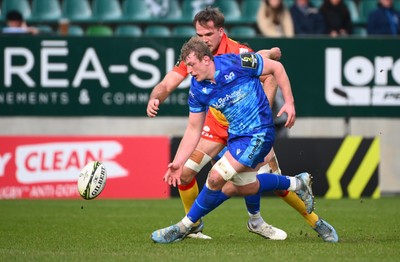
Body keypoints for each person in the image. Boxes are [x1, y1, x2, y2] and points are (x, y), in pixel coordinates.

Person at [147, 7, 338, 243]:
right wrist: (156, 97)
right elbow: (169, 84)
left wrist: (258, 115)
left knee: (255, 182)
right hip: (217, 129)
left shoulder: (238, 53)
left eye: (208, 35)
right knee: (187, 174)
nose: (203, 40)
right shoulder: (195, 59)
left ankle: (315, 222)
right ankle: (195, 225)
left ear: (220, 32)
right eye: (199, 35)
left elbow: (269, 75)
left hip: (251, 129)